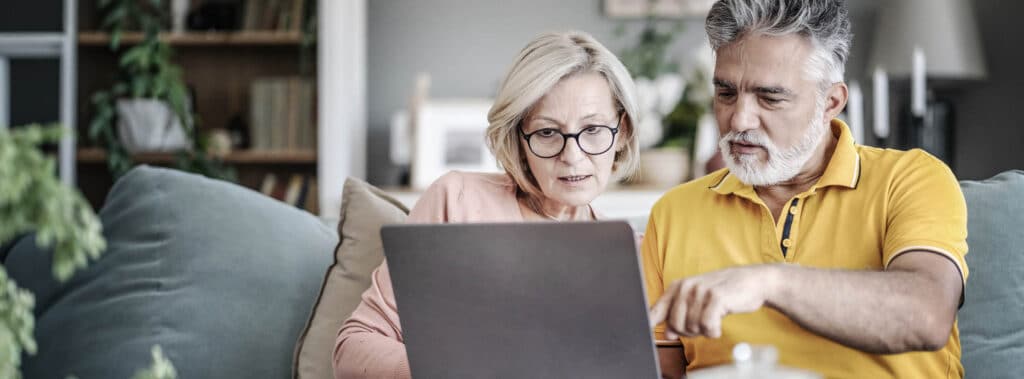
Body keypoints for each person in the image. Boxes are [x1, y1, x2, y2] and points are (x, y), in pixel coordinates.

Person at [643, 1, 968, 378]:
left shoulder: (911, 179)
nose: (739, 118)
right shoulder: (674, 212)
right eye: (726, 93)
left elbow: (926, 316)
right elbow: (659, 369)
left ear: (831, 102)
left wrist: (768, 282)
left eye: (770, 97)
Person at [332, 30, 642, 378]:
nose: (572, 156)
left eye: (594, 129)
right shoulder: (457, 200)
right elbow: (353, 346)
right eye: (546, 132)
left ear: (623, 132)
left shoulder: (633, 253)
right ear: (518, 137)